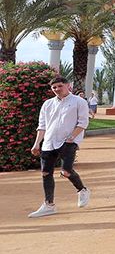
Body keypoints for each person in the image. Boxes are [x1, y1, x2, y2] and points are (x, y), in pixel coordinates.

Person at [28, 75, 92, 218]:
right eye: (54, 87)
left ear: (68, 85)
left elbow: (83, 123)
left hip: (68, 142)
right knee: (46, 173)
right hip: (49, 142)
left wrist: (71, 137)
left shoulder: (79, 102)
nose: (57, 89)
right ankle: (49, 204)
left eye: (59, 86)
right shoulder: (48, 104)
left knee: (66, 171)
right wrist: (37, 143)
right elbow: (42, 125)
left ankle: (82, 190)